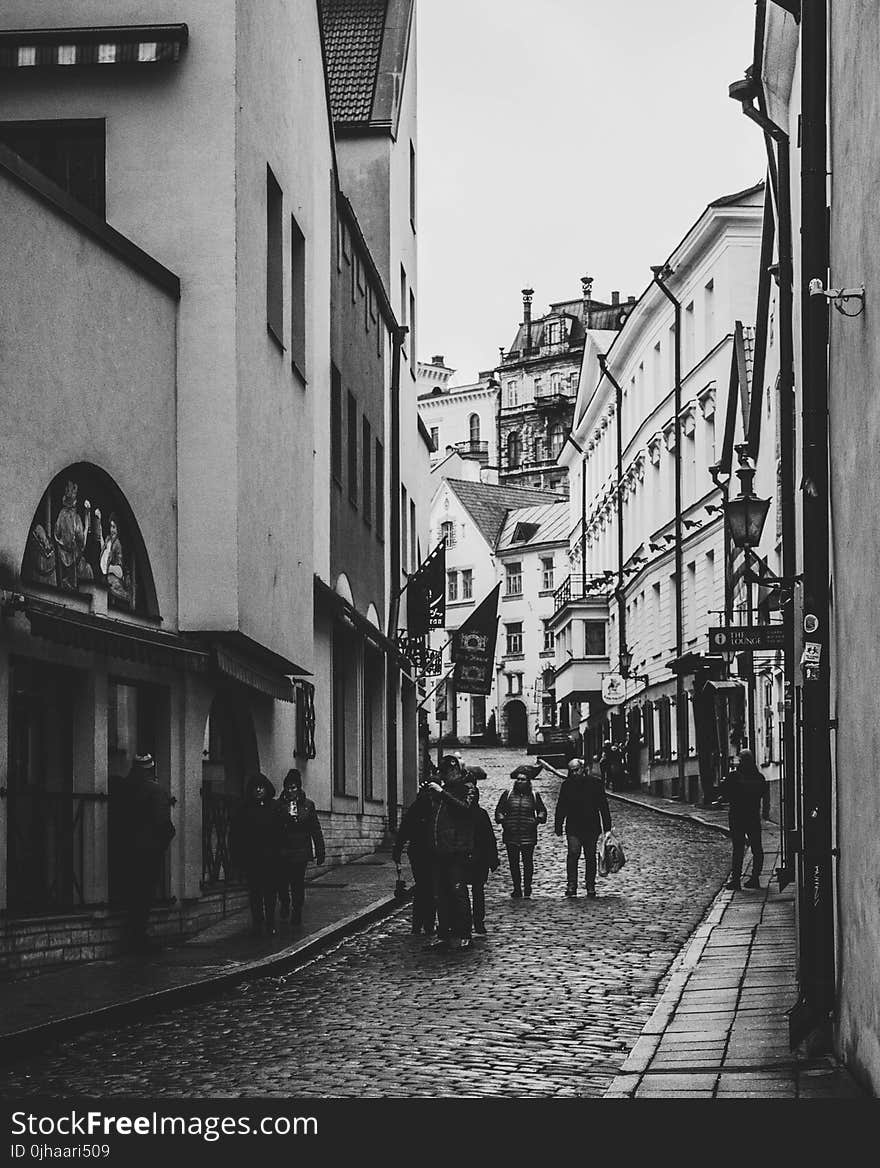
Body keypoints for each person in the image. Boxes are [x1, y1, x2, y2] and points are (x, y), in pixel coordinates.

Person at [113, 753, 175, 953]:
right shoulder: (155, 790)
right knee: (144, 895)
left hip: (125, 850)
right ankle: (138, 938)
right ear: (151, 769)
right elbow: (163, 823)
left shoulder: (122, 788)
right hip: (148, 851)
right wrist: (161, 844)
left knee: (132, 893)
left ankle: (131, 936)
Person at [426, 754, 477, 952]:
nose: (445, 776)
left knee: (458, 893)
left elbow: (465, 809)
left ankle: (464, 934)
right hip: (439, 850)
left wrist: (442, 793)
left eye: (447, 772)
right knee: (440, 894)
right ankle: (444, 933)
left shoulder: (468, 788)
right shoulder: (443, 790)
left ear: (455, 770)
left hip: (458, 850)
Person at [553, 757, 612, 898]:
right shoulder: (567, 785)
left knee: (590, 856)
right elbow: (561, 806)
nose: (574, 773)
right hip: (573, 826)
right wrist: (558, 824)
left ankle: (590, 885)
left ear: (583, 769)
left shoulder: (595, 784)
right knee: (573, 853)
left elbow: (603, 806)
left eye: (576, 770)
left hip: (591, 826)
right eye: (571, 771)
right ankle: (571, 885)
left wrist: (607, 827)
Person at [275, 769, 325, 927]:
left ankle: (297, 910)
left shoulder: (307, 805)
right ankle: (284, 902)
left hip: (301, 851)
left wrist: (320, 850)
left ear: (299, 788)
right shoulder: (278, 805)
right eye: (288, 788)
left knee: (297, 883)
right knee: (282, 882)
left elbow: (315, 829)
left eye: (294, 787)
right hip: (283, 850)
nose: (291, 791)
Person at [231, 773, 279, 936]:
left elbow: (281, 832)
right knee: (255, 893)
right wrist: (238, 859)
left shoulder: (274, 807)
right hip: (252, 858)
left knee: (270, 892)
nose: (258, 790)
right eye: (255, 788)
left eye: (261, 787)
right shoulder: (244, 809)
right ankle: (258, 922)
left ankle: (271, 921)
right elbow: (236, 835)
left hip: (271, 858)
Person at [494, 766, 547, 898]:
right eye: (518, 779)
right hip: (511, 834)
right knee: (513, 863)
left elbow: (542, 811)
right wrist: (503, 820)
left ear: (528, 781)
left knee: (527, 862)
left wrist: (537, 820)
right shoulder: (508, 794)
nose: (520, 782)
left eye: (523, 779)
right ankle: (517, 888)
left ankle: (527, 887)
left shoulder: (534, 796)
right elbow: (499, 810)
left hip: (528, 834)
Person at [720, 749, 769, 891]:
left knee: (738, 848)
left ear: (741, 761)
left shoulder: (734, 776)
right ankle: (755, 878)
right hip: (753, 815)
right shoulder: (759, 777)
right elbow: (762, 793)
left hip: (737, 816)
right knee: (756, 847)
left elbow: (724, 793)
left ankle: (736, 880)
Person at [392, 781, 436, 936]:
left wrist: (397, 849)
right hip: (423, 853)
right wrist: (397, 850)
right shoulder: (426, 807)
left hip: (424, 853)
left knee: (424, 888)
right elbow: (405, 829)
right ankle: (424, 924)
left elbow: (404, 829)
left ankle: (421, 924)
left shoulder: (424, 806)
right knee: (427, 888)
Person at [468, 787, 500, 935]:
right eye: (469, 793)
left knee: (478, 891)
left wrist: (492, 858)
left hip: (479, 859)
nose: (471, 796)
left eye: (474, 793)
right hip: (462, 857)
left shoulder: (481, 814)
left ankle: (478, 921)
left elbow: (489, 838)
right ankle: (464, 921)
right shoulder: (457, 813)